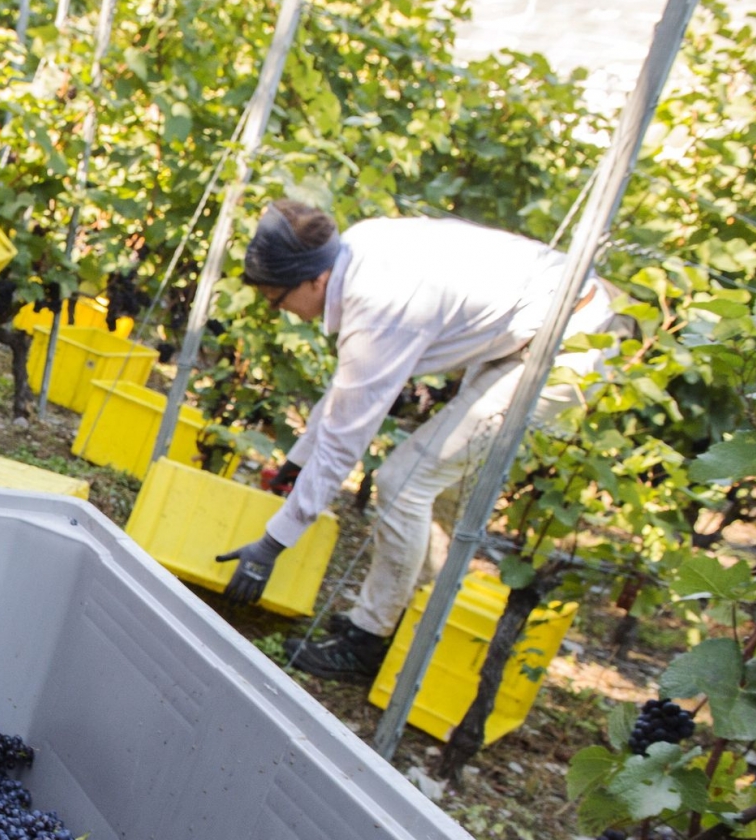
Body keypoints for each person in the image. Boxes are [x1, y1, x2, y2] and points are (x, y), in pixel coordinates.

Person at [215, 200, 624, 680]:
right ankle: (406, 625)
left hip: (569, 344)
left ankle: (367, 644)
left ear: (315, 281)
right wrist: (299, 460)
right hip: (533, 327)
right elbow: (355, 382)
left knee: (404, 484)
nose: (278, 310)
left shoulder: (381, 306)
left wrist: (272, 544)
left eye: (277, 298)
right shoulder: (358, 248)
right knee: (435, 495)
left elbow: (345, 441)